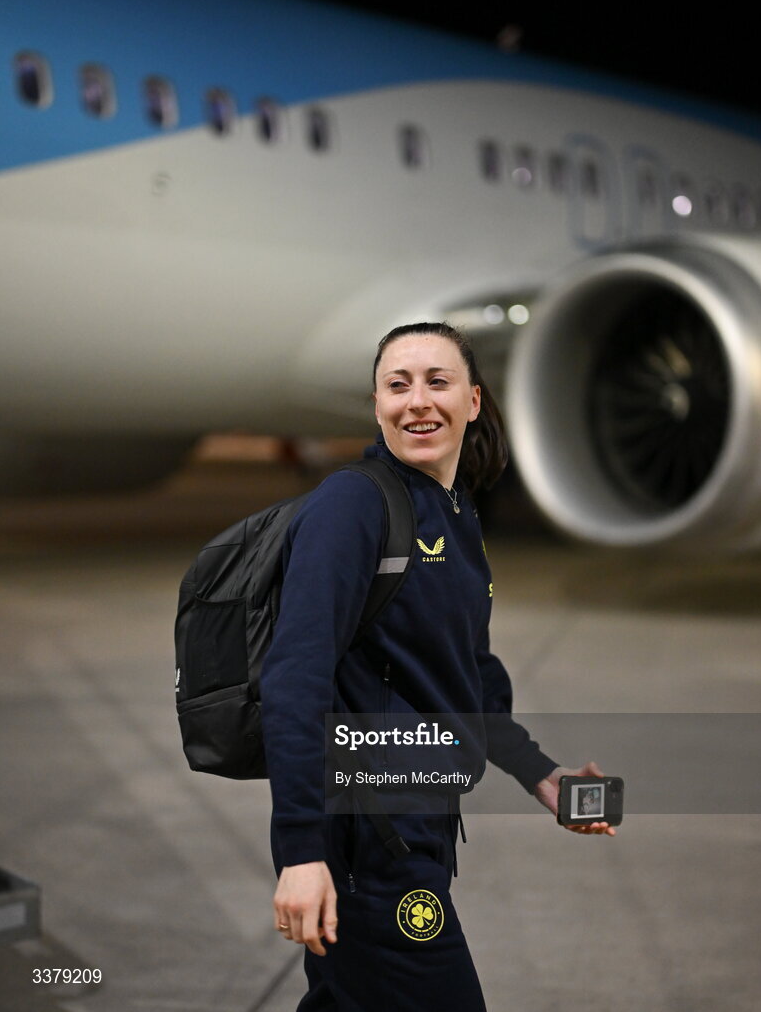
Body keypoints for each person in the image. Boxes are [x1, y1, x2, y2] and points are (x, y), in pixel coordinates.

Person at [260, 322, 616, 1011]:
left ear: (473, 400)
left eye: (436, 381)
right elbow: (293, 676)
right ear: (375, 405)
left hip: (417, 824)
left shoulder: (455, 514)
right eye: (397, 385)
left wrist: (541, 775)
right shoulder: (352, 505)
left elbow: (468, 672)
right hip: (372, 845)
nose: (416, 401)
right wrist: (300, 852)